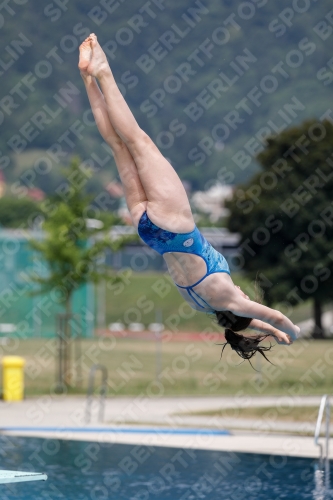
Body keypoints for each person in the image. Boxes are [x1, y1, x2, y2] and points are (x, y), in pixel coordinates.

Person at [78, 34, 299, 361]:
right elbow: (242, 318)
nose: (242, 292)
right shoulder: (202, 302)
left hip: (175, 224)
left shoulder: (230, 297)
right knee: (119, 148)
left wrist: (290, 332)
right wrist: (271, 333)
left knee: (140, 142)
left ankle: (103, 71)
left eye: (243, 296)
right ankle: (87, 78)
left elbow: (274, 316)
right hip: (148, 230)